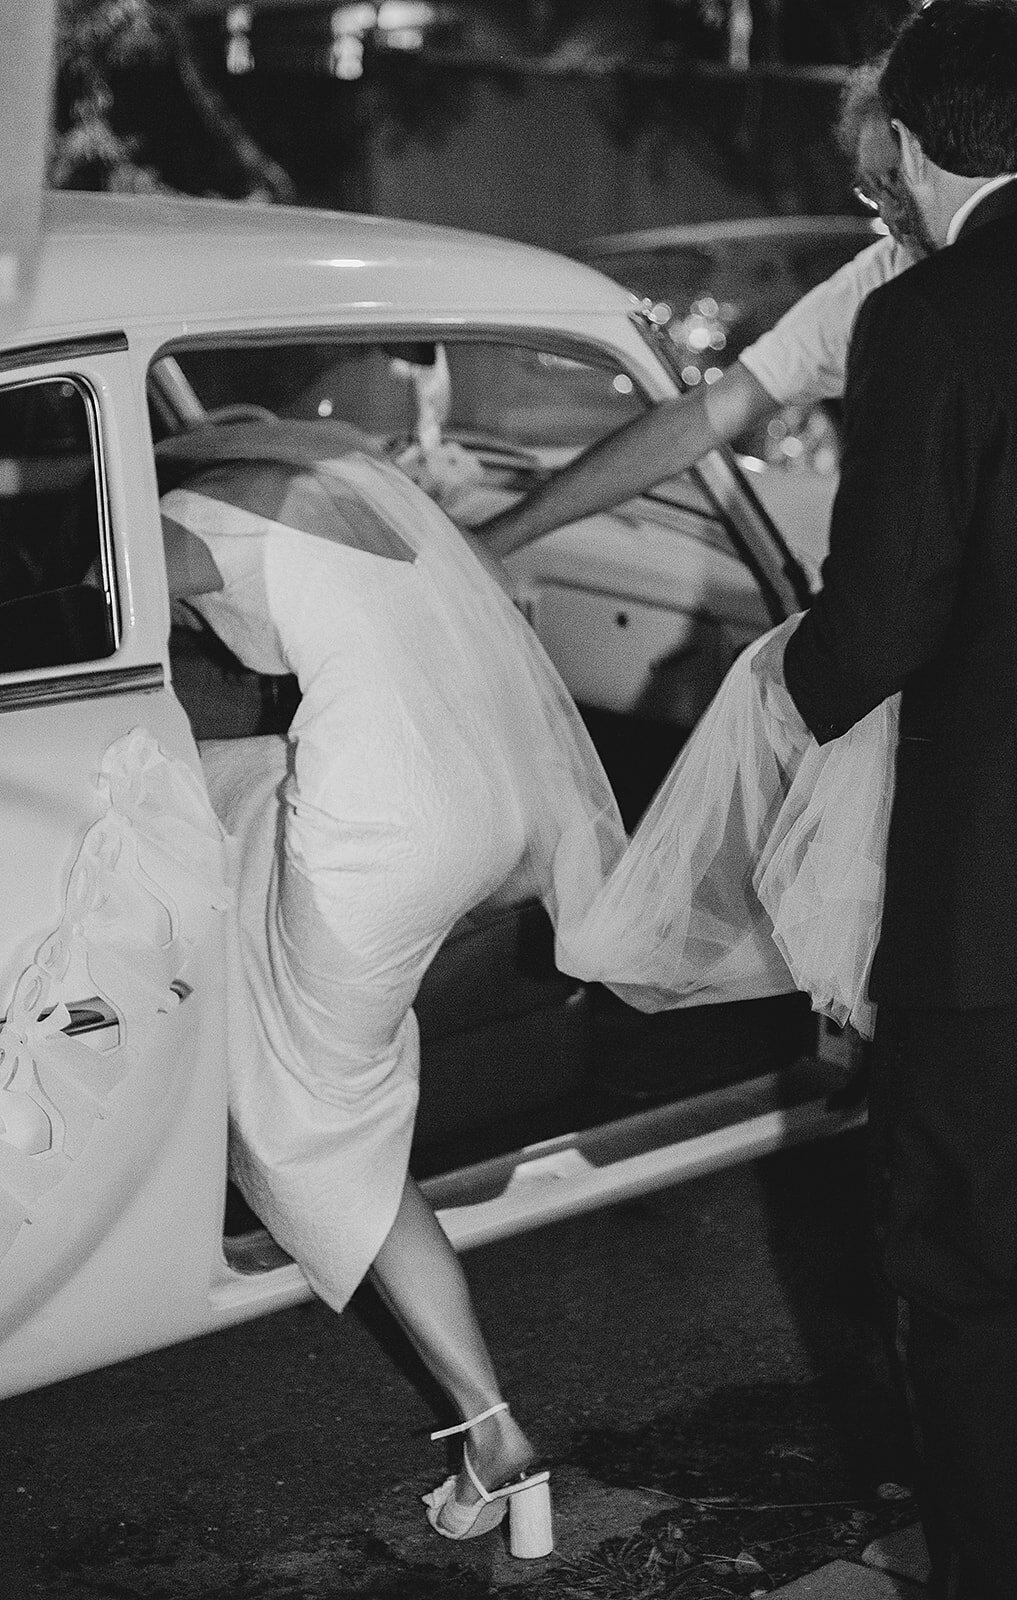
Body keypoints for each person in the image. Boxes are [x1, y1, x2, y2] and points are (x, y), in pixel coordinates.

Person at [159, 420, 628, 1559]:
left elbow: (100, 614)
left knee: (321, 1123)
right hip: (479, 803)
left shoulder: (182, 521)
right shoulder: (361, 489)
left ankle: (493, 1433)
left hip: (379, 834)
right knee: (221, 793)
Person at [772, 4, 1017, 1595]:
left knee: (957, 1263)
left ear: (903, 138)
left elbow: (876, 626)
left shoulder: (929, 316)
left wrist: (786, 685)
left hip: (1004, 896)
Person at [478, 59, 921, 561]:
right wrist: (496, 539)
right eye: (872, 191)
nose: (888, 213)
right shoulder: (879, 276)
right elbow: (698, 420)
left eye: (895, 183)